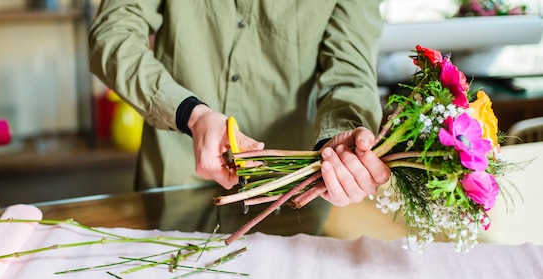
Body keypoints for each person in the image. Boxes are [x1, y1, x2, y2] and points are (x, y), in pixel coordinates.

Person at [88, 0, 390, 207]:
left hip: (287, 192)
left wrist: (340, 143)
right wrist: (189, 113)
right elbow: (114, 34)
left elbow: (349, 70)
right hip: (173, 180)